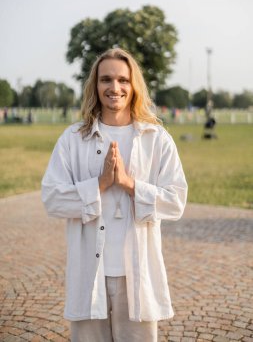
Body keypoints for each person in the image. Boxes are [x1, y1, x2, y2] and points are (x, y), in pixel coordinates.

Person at [41, 48, 187, 342]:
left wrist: (129, 184)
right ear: (95, 86)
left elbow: (175, 201)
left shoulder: (157, 139)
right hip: (88, 273)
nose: (115, 87)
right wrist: (101, 184)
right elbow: (52, 198)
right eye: (106, 79)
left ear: (134, 86)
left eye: (123, 80)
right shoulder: (73, 139)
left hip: (138, 275)